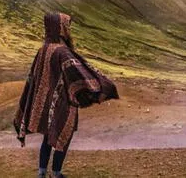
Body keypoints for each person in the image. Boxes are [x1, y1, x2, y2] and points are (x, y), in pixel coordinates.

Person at [14, 13, 119, 178]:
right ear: (59, 27)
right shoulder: (63, 51)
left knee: (48, 137)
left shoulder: (43, 49)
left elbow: (33, 77)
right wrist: (101, 83)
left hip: (44, 103)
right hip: (62, 102)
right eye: (66, 25)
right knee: (64, 135)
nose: (68, 29)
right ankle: (56, 173)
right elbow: (79, 71)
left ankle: (41, 173)